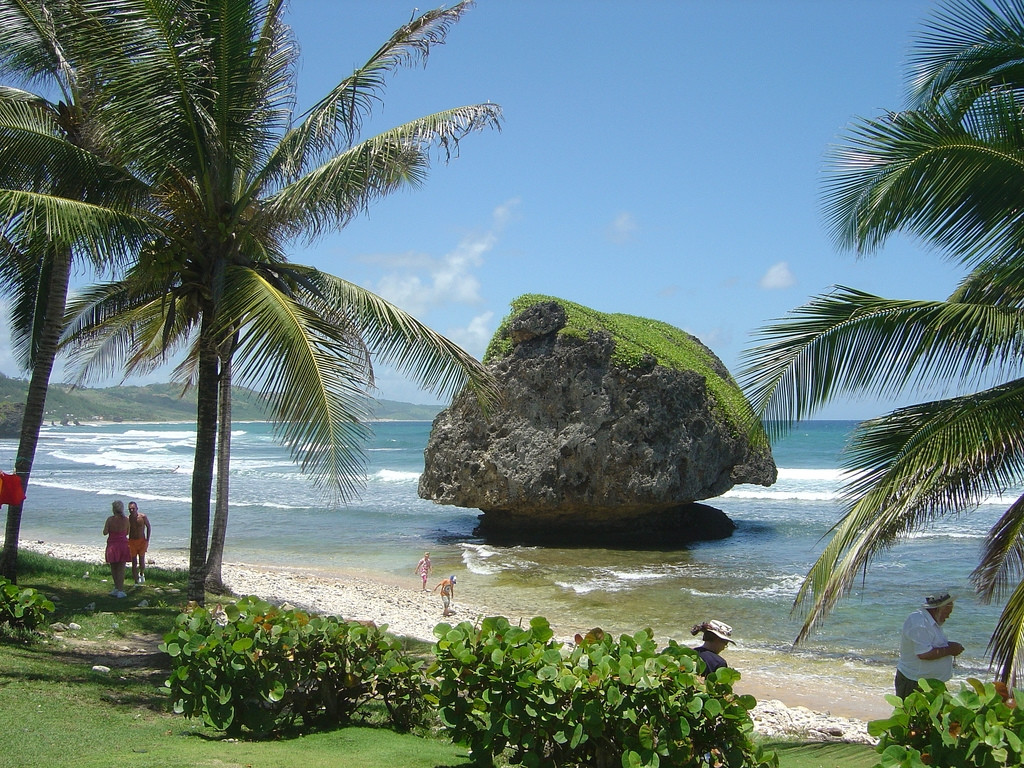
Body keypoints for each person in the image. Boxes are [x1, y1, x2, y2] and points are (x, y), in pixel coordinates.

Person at [895, 592, 965, 698]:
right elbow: (924, 654)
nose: (948, 616)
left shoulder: (931, 621)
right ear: (937, 609)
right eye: (947, 611)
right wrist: (950, 649)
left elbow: (933, 644)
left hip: (930, 682)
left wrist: (952, 647)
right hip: (914, 681)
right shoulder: (919, 622)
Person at [102, 500, 131, 598]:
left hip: (112, 544)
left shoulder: (110, 520)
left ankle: (116, 588)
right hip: (123, 544)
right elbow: (127, 532)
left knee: (113, 567)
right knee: (121, 568)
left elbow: (105, 532)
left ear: (113, 509)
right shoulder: (126, 520)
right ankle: (120, 589)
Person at [127, 501, 151, 585]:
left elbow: (148, 527)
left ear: (137, 508)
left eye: (133, 508)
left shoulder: (143, 517)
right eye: (130, 509)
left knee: (141, 560)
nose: (132, 510)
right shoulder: (128, 519)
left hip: (141, 541)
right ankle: (136, 581)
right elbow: (125, 531)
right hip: (132, 541)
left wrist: (147, 539)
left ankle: (141, 573)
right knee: (134, 562)